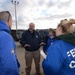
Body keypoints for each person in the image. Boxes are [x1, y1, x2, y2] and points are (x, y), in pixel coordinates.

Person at [0, 11, 20, 75]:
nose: (12, 24)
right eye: (12, 21)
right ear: (8, 21)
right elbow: (9, 64)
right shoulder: (5, 36)